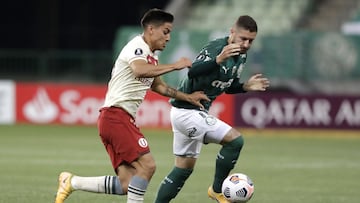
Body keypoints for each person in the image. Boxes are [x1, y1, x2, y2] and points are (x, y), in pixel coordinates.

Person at [54, 8, 209, 203]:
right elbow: (139, 70)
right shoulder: (137, 47)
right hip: (115, 116)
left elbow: (159, 86)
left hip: (115, 119)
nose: (168, 37)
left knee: (127, 183)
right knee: (148, 166)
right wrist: (174, 65)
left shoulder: (151, 56)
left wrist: (188, 97)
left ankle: (72, 182)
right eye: (166, 31)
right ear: (151, 29)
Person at [154, 15, 270, 203]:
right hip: (187, 112)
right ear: (232, 32)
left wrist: (245, 87)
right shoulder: (217, 48)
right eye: (243, 39)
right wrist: (218, 59)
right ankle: (217, 190)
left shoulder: (241, 55)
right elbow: (192, 71)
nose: (247, 44)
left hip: (190, 113)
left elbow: (226, 85)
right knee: (235, 141)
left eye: (251, 40)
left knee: (183, 169)